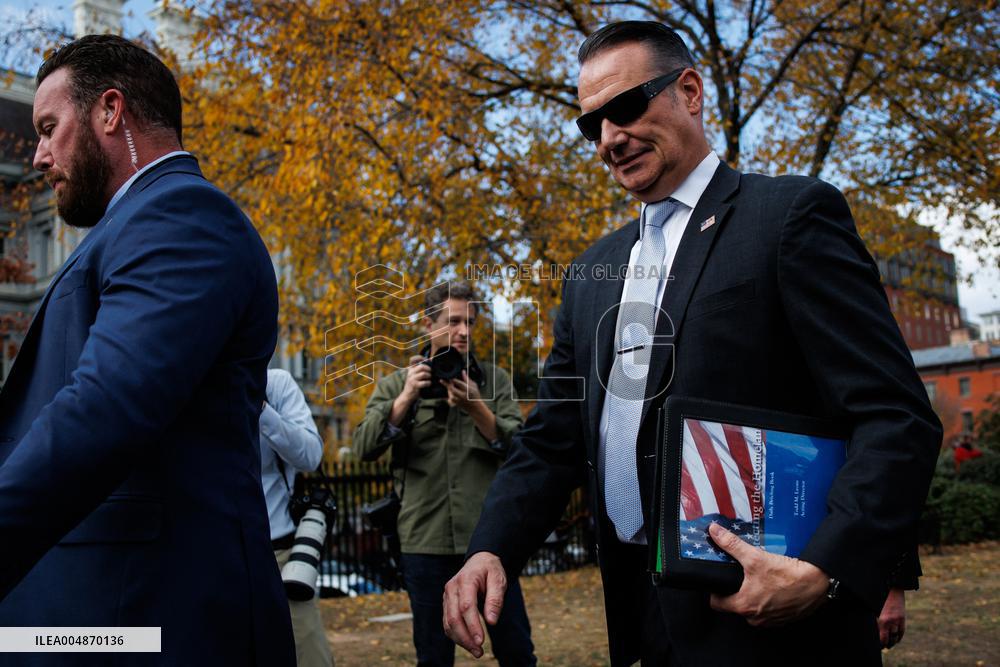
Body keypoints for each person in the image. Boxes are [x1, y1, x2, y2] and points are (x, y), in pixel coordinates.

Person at [443, 21, 941, 667]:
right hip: (641, 622)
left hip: (777, 628)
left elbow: (896, 415)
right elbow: (552, 438)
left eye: (625, 107)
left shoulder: (789, 217)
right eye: (591, 124)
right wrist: (491, 547)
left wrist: (825, 568)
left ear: (690, 90)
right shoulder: (591, 276)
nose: (609, 138)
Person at [0, 35, 294, 665]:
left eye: (50, 128)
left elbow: (104, 409)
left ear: (111, 111)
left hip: (145, 624)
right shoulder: (138, 224)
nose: (40, 155)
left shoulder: (180, 215)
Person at [353, 282, 536, 667]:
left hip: (487, 540)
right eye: (453, 321)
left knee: (517, 651)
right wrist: (404, 400)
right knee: (433, 657)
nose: (463, 332)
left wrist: (476, 408)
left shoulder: (494, 382)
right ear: (427, 325)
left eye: (469, 322)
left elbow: (524, 451)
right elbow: (363, 449)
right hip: (424, 540)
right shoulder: (395, 384)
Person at [261, 368, 335, 666]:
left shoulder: (275, 384)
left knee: (308, 652)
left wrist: (262, 410)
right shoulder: (186, 382)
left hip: (280, 551)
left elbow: (310, 455)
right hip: (211, 552)